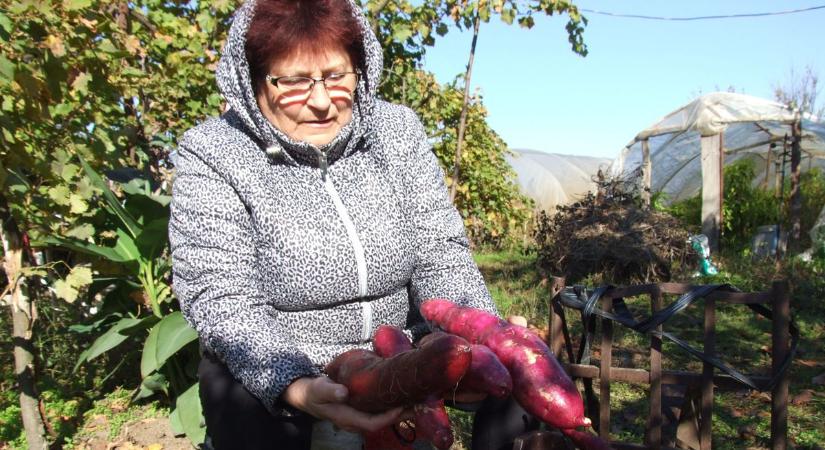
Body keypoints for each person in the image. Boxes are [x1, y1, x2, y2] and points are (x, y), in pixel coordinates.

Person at [169, 0, 537, 449]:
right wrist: (296, 384)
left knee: (518, 373)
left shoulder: (395, 132)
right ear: (253, 80)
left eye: (336, 76)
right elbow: (220, 295)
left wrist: (480, 332)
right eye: (295, 81)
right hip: (292, 358)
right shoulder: (214, 152)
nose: (322, 101)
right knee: (242, 392)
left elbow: (440, 253)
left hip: (400, 352)